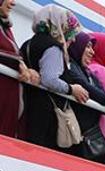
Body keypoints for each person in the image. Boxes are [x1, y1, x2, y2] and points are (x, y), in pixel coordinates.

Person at [20, 5, 86, 151]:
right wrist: (71, 89)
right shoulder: (53, 47)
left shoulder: (28, 44)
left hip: (29, 105)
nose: (73, 39)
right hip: (46, 114)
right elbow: (49, 79)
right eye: (68, 31)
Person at [62, 31, 105, 163]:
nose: (92, 52)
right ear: (77, 46)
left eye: (92, 47)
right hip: (72, 138)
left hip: (87, 138)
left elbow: (101, 91)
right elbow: (85, 86)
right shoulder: (70, 65)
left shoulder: (89, 73)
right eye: (87, 46)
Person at [0, 0, 39, 138]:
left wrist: (27, 68)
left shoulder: (5, 28)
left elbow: (14, 55)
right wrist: (18, 64)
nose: (13, 3)